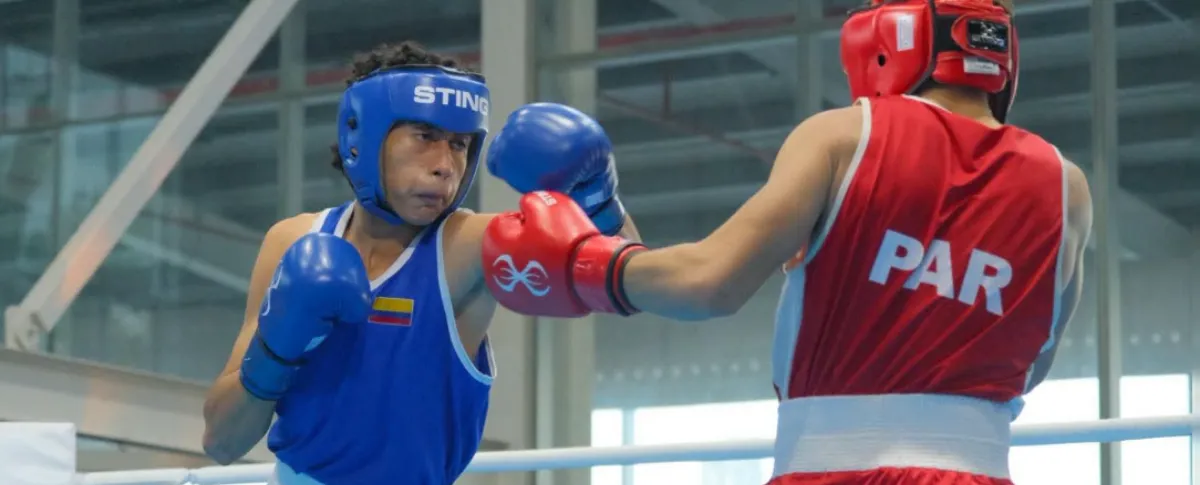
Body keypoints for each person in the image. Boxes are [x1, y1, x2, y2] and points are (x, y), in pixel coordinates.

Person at [481, 1, 1092, 484]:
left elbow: (708, 284)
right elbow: (1033, 366)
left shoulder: (844, 137)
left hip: (831, 472)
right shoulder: (1067, 187)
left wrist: (590, 262)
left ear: (887, 39)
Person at [200, 41, 640, 485]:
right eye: (426, 137)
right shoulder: (293, 240)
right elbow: (221, 441)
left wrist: (598, 197)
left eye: (460, 144)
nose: (445, 166)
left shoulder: (466, 246)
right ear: (364, 134)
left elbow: (632, 282)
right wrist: (277, 350)